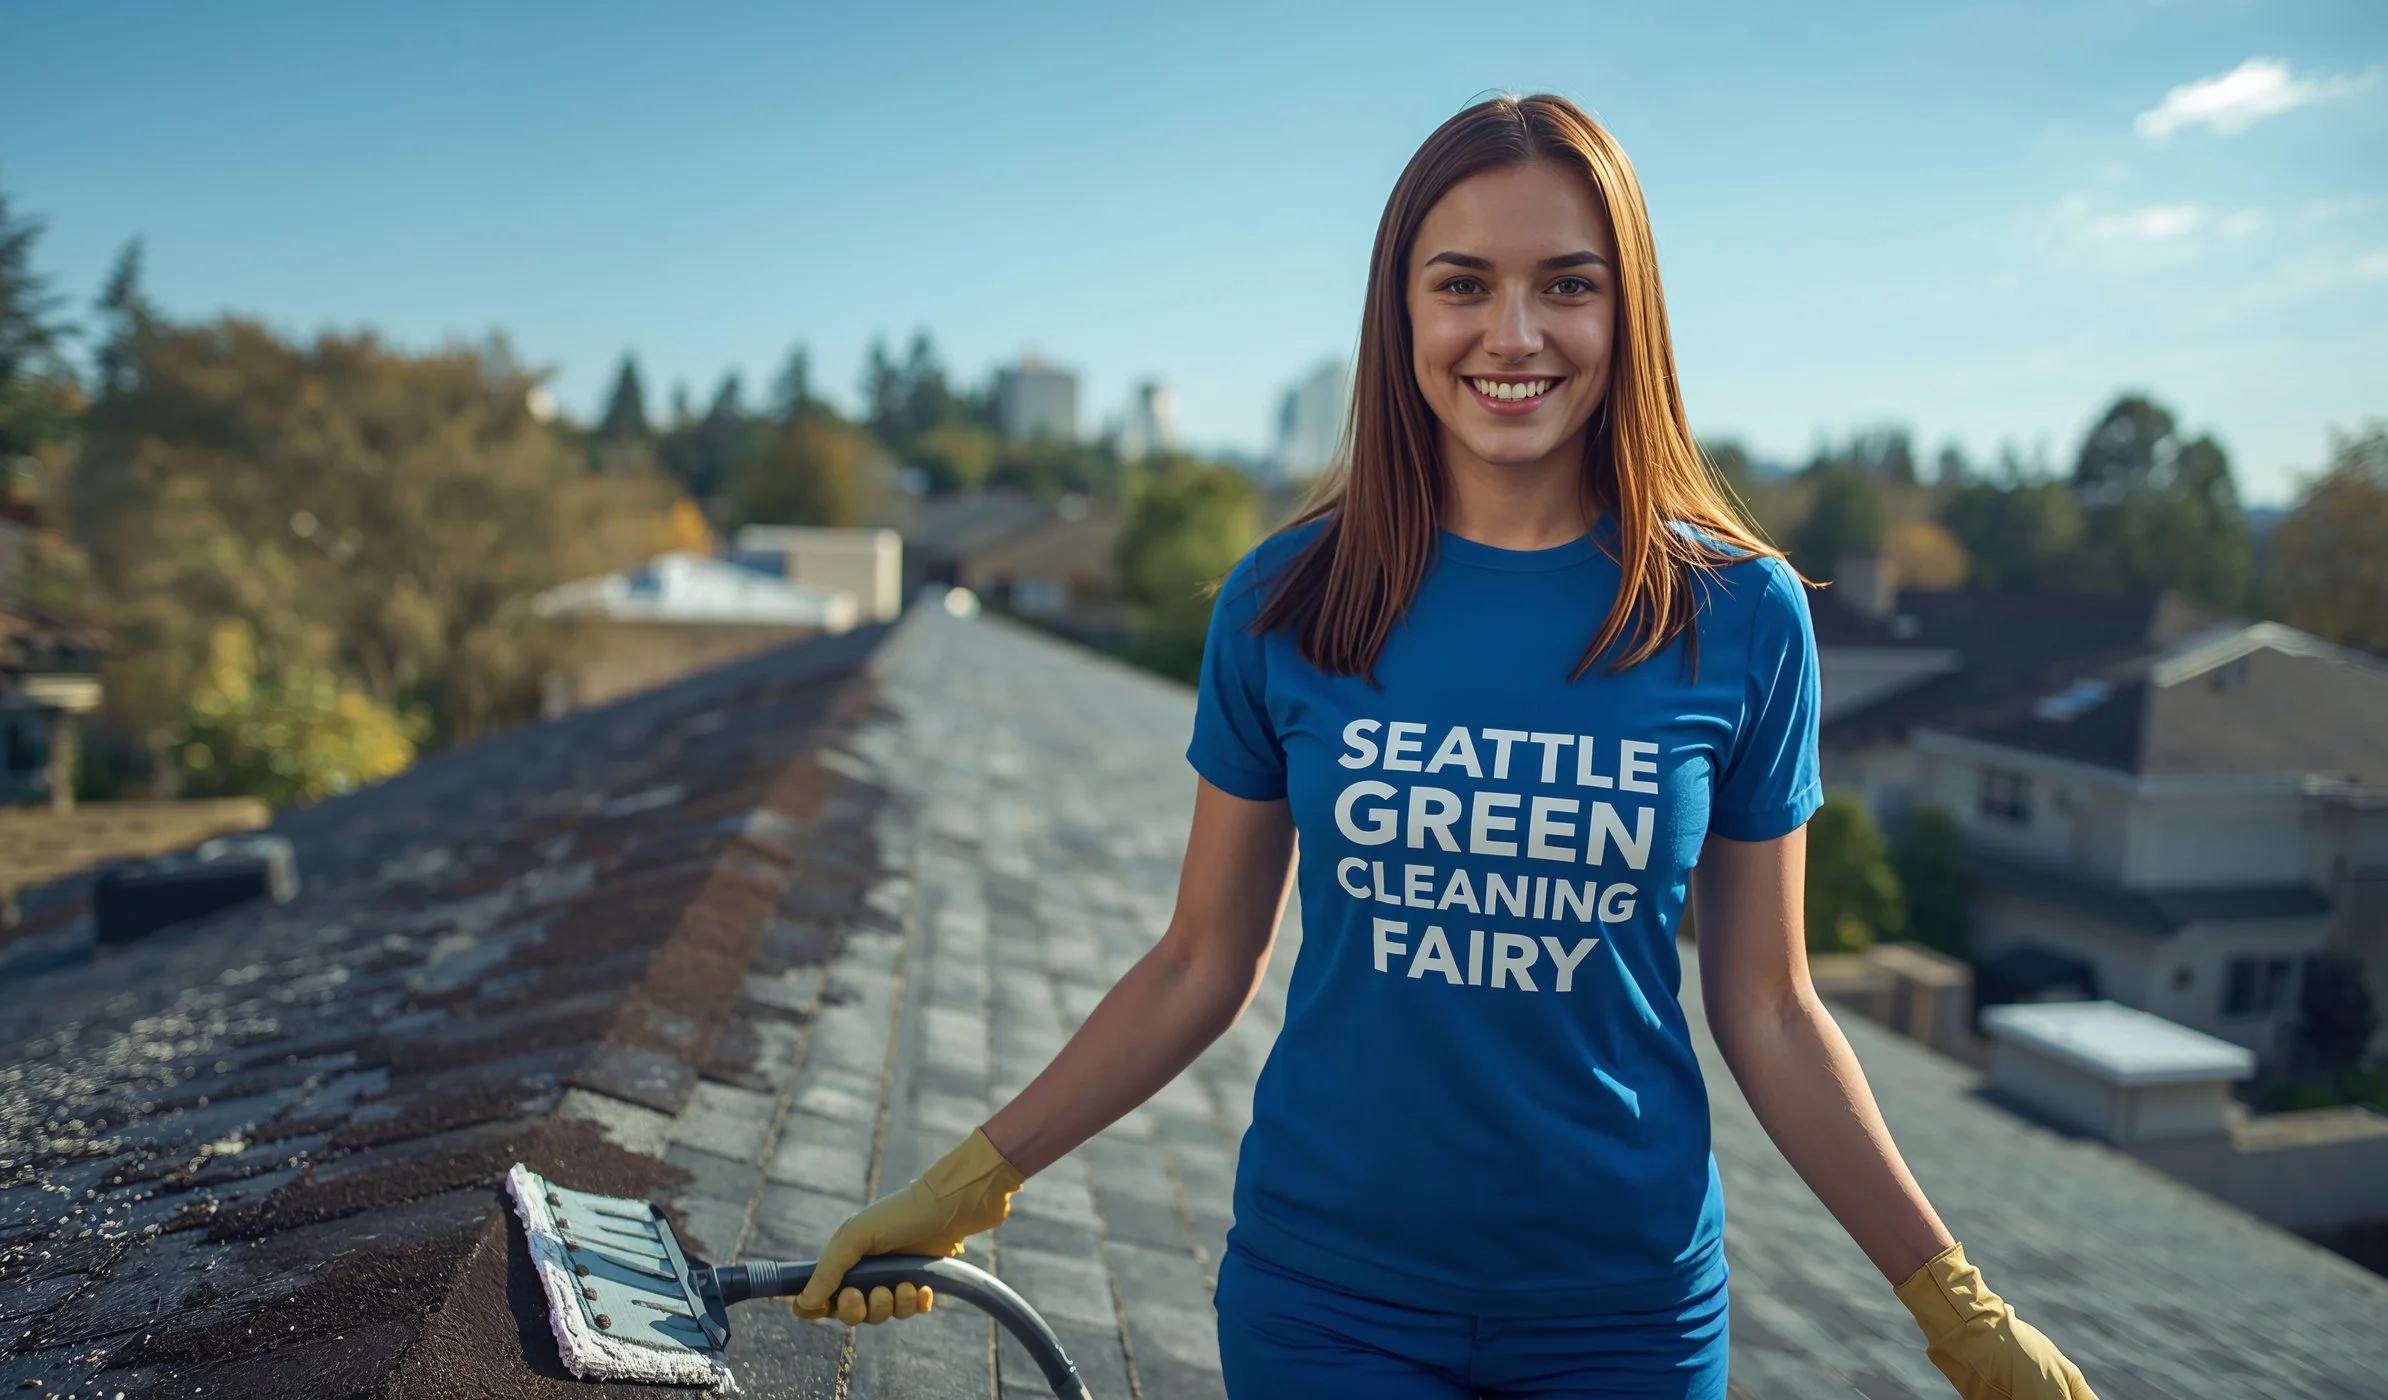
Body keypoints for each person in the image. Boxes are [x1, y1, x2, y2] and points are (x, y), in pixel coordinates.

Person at [791, 93, 2097, 1400]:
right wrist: (967, 1183)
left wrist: (1956, 1308)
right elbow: (1201, 962)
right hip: (1326, 1307)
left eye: (1567, 286)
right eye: (1463, 283)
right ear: (1401, 311)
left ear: (1626, 310)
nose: (1513, 335)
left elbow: (1768, 1006)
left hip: (1626, 1321)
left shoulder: (1742, 616)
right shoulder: (1285, 600)